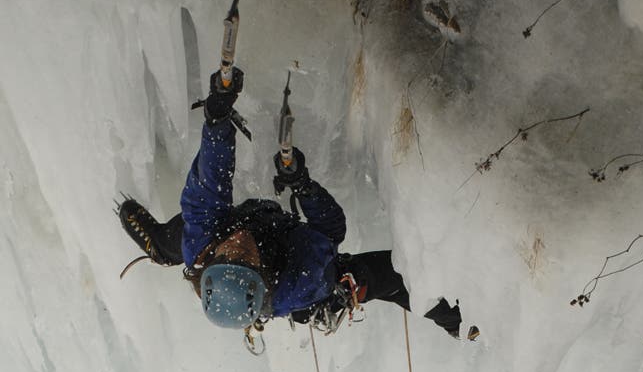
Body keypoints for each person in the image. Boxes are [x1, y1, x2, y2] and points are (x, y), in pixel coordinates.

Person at [118, 68, 475, 342]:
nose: (239, 244)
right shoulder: (302, 280)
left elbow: (211, 180)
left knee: (183, 234)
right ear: (261, 272)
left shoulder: (202, 246)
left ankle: (161, 248)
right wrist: (304, 187)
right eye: (246, 258)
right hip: (300, 262)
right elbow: (331, 228)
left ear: (214, 260)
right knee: (391, 277)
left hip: (234, 228)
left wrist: (217, 119)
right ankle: (466, 320)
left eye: (229, 255)